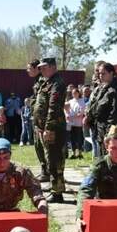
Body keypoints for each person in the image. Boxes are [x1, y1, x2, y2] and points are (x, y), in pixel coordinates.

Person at [35, 57, 67, 203]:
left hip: (53, 128)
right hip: (45, 128)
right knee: (50, 159)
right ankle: (55, 188)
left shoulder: (57, 83)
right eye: (40, 68)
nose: (41, 70)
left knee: (55, 160)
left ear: (53, 67)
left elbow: (53, 107)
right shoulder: (46, 82)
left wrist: (48, 127)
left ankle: (57, 192)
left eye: (44, 67)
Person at [86, 62, 117, 157]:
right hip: (99, 128)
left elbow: (115, 112)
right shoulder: (102, 87)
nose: (100, 76)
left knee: (111, 158)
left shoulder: (116, 88)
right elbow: (94, 105)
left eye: (103, 73)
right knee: (102, 157)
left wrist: (109, 133)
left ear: (111, 73)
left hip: (110, 129)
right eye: (99, 73)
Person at [27, 59, 49, 182]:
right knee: (38, 146)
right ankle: (44, 171)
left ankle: (49, 173)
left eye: (29, 68)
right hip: (37, 119)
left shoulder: (42, 81)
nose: (27, 71)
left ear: (36, 69)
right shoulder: (37, 81)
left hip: (42, 120)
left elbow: (43, 102)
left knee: (44, 147)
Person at [67, 87, 85, 159]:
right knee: (72, 139)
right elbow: (67, 109)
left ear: (78, 93)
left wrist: (73, 117)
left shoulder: (81, 101)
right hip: (71, 123)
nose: (74, 94)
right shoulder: (70, 101)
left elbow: (81, 113)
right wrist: (68, 115)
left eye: (75, 93)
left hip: (78, 123)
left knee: (79, 138)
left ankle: (80, 153)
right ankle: (73, 153)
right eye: (73, 93)